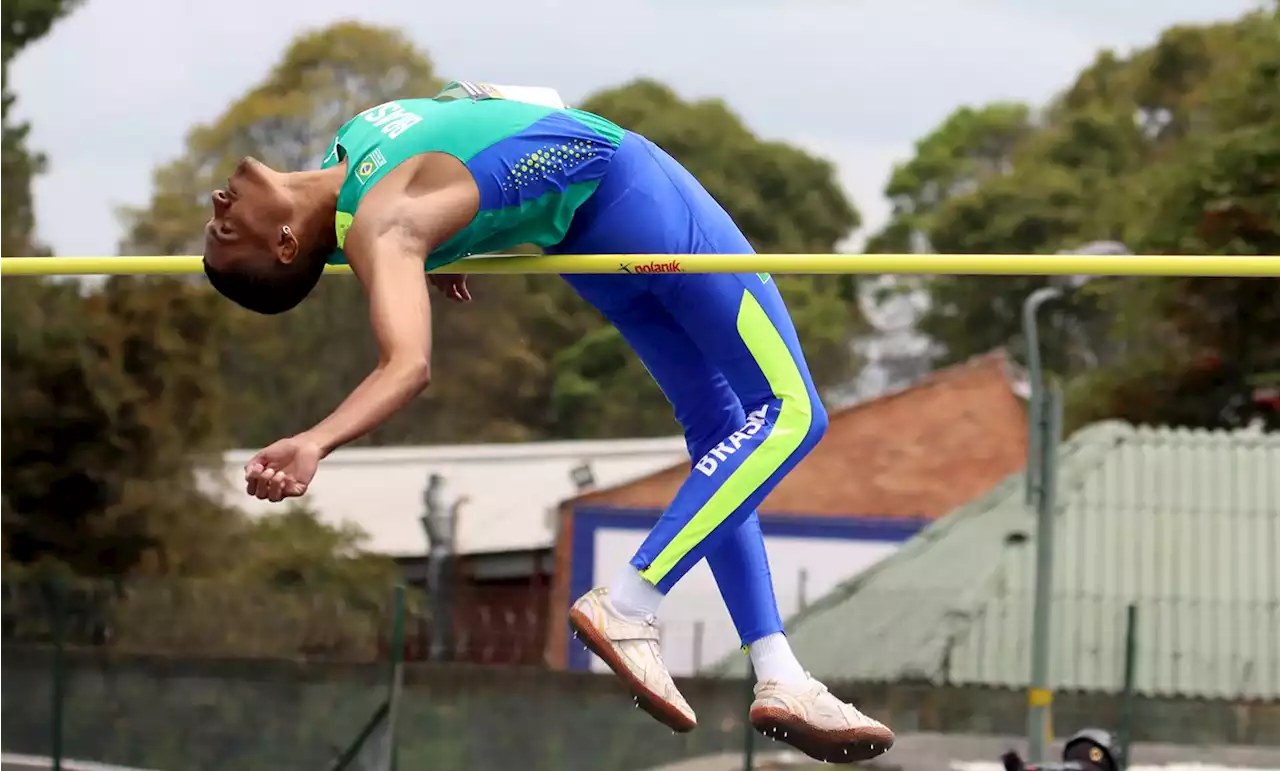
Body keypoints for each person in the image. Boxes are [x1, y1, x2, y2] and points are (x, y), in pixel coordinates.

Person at [202, 81, 894, 764]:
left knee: (721, 436)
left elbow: (501, 110)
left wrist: (456, 241)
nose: (217, 203)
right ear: (287, 242)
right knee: (792, 412)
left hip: (588, 240)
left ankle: (779, 672)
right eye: (228, 228)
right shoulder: (386, 226)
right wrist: (316, 440)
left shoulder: (355, 151)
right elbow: (407, 363)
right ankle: (631, 600)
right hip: (636, 195)